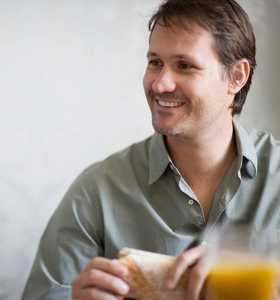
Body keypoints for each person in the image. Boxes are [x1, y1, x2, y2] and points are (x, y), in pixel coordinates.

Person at [21, 0, 280, 299]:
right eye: (155, 62)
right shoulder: (96, 194)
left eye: (184, 65)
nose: (160, 84)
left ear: (236, 77)